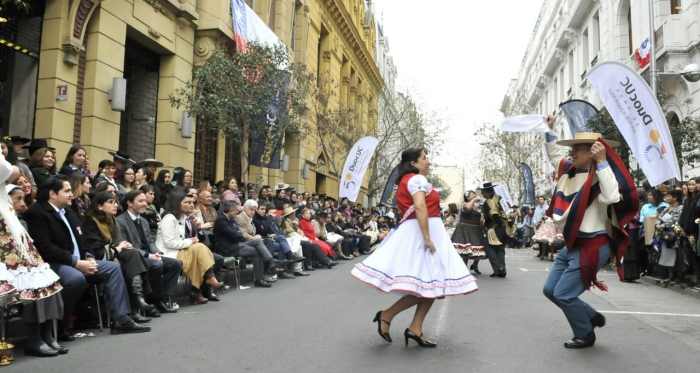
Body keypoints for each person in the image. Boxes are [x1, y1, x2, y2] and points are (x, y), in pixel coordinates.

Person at [351, 147, 478, 347]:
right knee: (429, 284)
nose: (428, 162)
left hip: (424, 231)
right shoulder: (416, 179)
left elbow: (424, 208)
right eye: (424, 158)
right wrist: (427, 237)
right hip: (422, 235)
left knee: (432, 285)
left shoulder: (408, 180)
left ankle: (412, 327)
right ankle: (390, 316)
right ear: (413, 162)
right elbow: (420, 206)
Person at [542, 116, 638, 349]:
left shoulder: (602, 176)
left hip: (593, 246)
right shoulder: (568, 171)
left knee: (564, 294)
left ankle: (585, 334)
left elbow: (613, 197)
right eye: (572, 149)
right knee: (550, 290)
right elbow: (555, 156)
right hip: (572, 244)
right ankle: (592, 317)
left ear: (592, 152)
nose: (572, 153)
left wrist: (603, 162)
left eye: (577, 149)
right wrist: (549, 132)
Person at [25, 175, 150, 339]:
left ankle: (121, 319)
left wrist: (89, 257)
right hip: (55, 264)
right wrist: (77, 263)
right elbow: (45, 248)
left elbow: (83, 240)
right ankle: (60, 325)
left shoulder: (69, 212)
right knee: (76, 279)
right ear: (52, 194)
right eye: (67, 191)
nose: (72, 194)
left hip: (81, 261)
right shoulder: (37, 213)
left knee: (113, 267)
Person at [0, 162, 66, 357]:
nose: (21, 203)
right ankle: (35, 338)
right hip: (7, 256)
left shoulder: (18, 222)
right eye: (16, 199)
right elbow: (11, 170)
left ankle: (46, 335)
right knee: (33, 283)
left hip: (17, 247)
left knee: (44, 282)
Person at [81, 191, 157, 322]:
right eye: (110, 202)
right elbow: (97, 251)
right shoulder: (90, 222)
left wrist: (123, 245)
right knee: (130, 263)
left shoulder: (112, 220)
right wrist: (118, 248)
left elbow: (117, 242)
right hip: (95, 260)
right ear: (99, 206)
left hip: (112, 256)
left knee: (133, 254)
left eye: (116, 202)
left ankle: (136, 302)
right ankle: (135, 303)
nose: (115, 205)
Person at [117, 190, 180, 314]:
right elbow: (127, 247)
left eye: (145, 200)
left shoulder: (144, 221)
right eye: (140, 201)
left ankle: (165, 299)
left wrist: (157, 253)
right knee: (156, 265)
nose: (145, 204)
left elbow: (150, 242)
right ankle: (153, 302)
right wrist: (149, 255)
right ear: (129, 203)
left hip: (149, 255)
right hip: (134, 258)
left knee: (175, 264)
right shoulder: (121, 221)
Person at [156, 191, 223, 304]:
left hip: (185, 249)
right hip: (171, 252)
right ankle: (207, 279)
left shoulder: (186, 217)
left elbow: (196, 238)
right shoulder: (169, 219)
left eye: (192, 202)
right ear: (177, 204)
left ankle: (199, 288)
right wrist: (190, 241)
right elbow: (169, 243)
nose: (191, 205)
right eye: (186, 202)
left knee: (206, 252)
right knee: (199, 248)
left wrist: (198, 230)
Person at [214, 200, 288, 287]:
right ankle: (260, 278)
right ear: (231, 210)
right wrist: (238, 234)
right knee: (257, 252)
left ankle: (269, 262)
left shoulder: (230, 219)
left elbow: (237, 233)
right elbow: (234, 234)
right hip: (229, 248)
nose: (238, 211)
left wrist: (238, 234)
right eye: (236, 210)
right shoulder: (221, 220)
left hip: (236, 244)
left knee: (258, 242)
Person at [479, 182, 514, 278]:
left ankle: (498, 268)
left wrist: (500, 222)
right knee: (500, 248)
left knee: (488, 246)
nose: (482, 194)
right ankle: (502, 270)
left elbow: (493, 214)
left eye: (482, 192)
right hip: (507, 227)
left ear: (487, 192)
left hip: (496, 227)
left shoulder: (488, 202)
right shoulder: (500, 198)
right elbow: (509, 211)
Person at [451, 190, 488, 274]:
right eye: (472, 194)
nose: (474, 195)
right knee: (466, 249)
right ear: (467, 197)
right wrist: (474, 200)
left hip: (476, 229)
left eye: (474, 194)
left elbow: (481, 220)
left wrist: (482, 219)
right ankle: (463, 266)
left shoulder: (478, 208)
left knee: (479, 248)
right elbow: (467, 209)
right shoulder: (465, 205)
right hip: (465, 229)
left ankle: (475, 265)